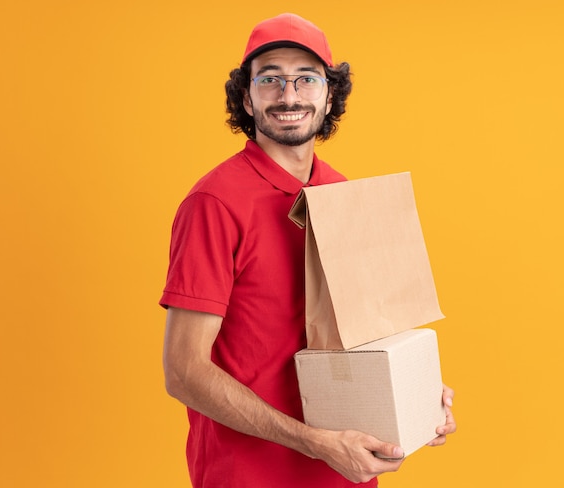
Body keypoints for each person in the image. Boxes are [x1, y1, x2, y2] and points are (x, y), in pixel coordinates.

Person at [160, 13, 456, 488]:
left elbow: (365, 335)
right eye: (270, 79)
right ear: (246, 96)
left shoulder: (341, 193)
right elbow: (184, 371)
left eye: (306, 79)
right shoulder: (214, 203)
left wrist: (414, 392)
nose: (289, 95)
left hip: (348, 472)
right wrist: (314, 442)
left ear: (329, 94)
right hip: (248, 476)